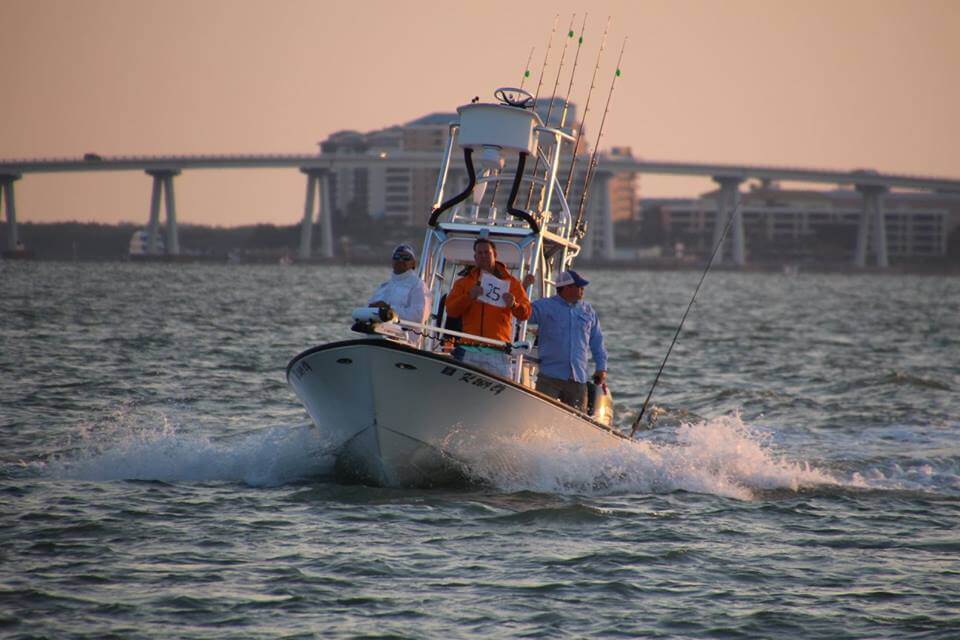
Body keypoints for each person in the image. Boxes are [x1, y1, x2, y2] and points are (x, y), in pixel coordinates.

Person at [445, 238, 531, 378]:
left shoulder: (512, 283)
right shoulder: (464, 283)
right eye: (479, 253)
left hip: (498, 351)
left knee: (502, 394)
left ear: (495, 255)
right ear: (475, 257)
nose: (483, 256)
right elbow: (451, 310)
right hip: (469, 349)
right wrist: (468, 296)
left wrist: (514, 305)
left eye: (487, 252)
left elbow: (526, 313)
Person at [527, 269, 607, 411]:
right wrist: (523, 286)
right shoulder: (544, 306)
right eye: (579, 287)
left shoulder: (588, 311)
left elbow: (597, 342)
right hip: (549, 377)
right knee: (540, 417)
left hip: (578, 380)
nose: (583, 290)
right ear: (567, 288)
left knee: (576, 422)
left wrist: (601, 368)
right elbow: (523, 314)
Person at [368, 244, 432, 345]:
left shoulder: (418, 285)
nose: (400, 260)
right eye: (397, 257)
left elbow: (419, 316)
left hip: (405, 344)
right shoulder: (384, 286)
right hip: (378, 339)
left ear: (413, 263)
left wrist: (390, 310)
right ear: (392, 261)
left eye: (406, 258)